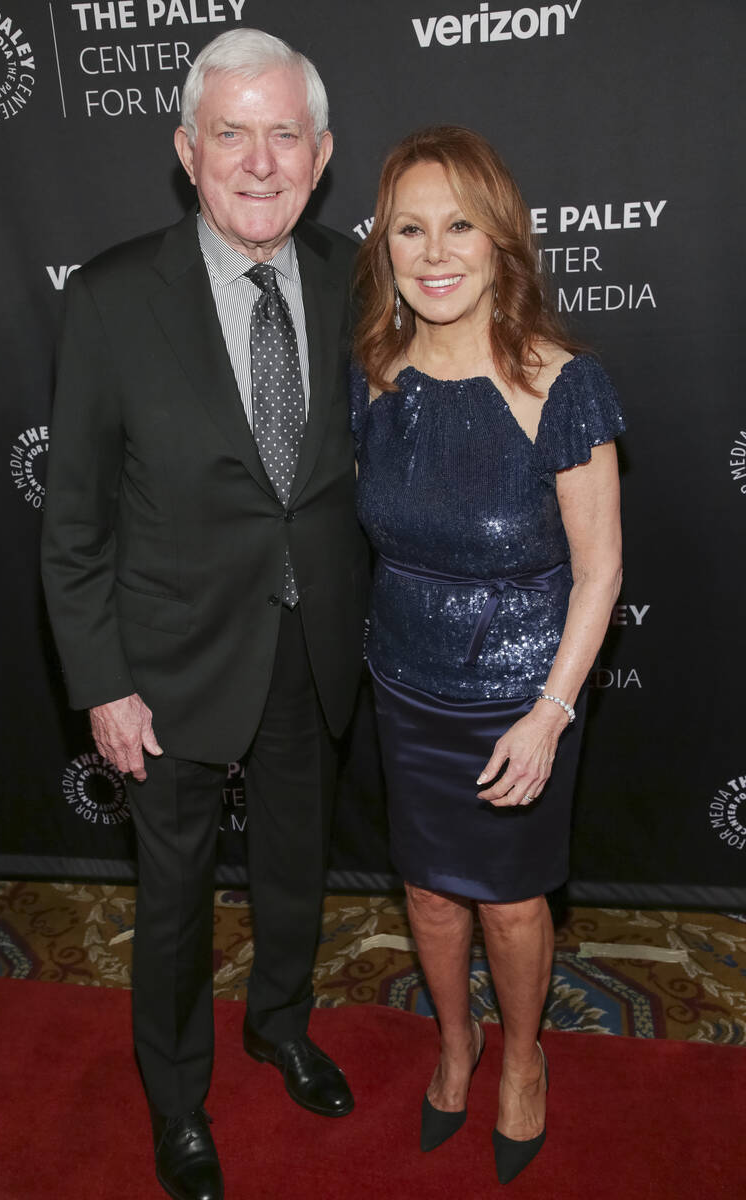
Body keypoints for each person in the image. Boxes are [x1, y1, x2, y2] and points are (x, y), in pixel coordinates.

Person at [42, 29, 368, 1200]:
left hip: (309, 640)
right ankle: (176, 1101)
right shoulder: (113, 298)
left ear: (322, 154)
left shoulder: (352, 277)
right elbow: (72, 521)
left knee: (294, 868)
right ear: (187, 151)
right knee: (173, 899)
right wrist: (101, 680)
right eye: (231, 132)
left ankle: (279, 1022)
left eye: (285, 133)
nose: (260, 159)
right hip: (164, 662)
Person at [351, 126, 624, 1184]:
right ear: (385, 248)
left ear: (501, 237)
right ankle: (453, 1044)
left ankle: (520, 1058)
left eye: (458, 223)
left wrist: (550, 710)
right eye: (409, 228)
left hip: (518, 693)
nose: (433, 251)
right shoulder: (375, 380)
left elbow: (597, 572)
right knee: (426, 893)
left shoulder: (563, 386)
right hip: (404, 682)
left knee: (509, 903)